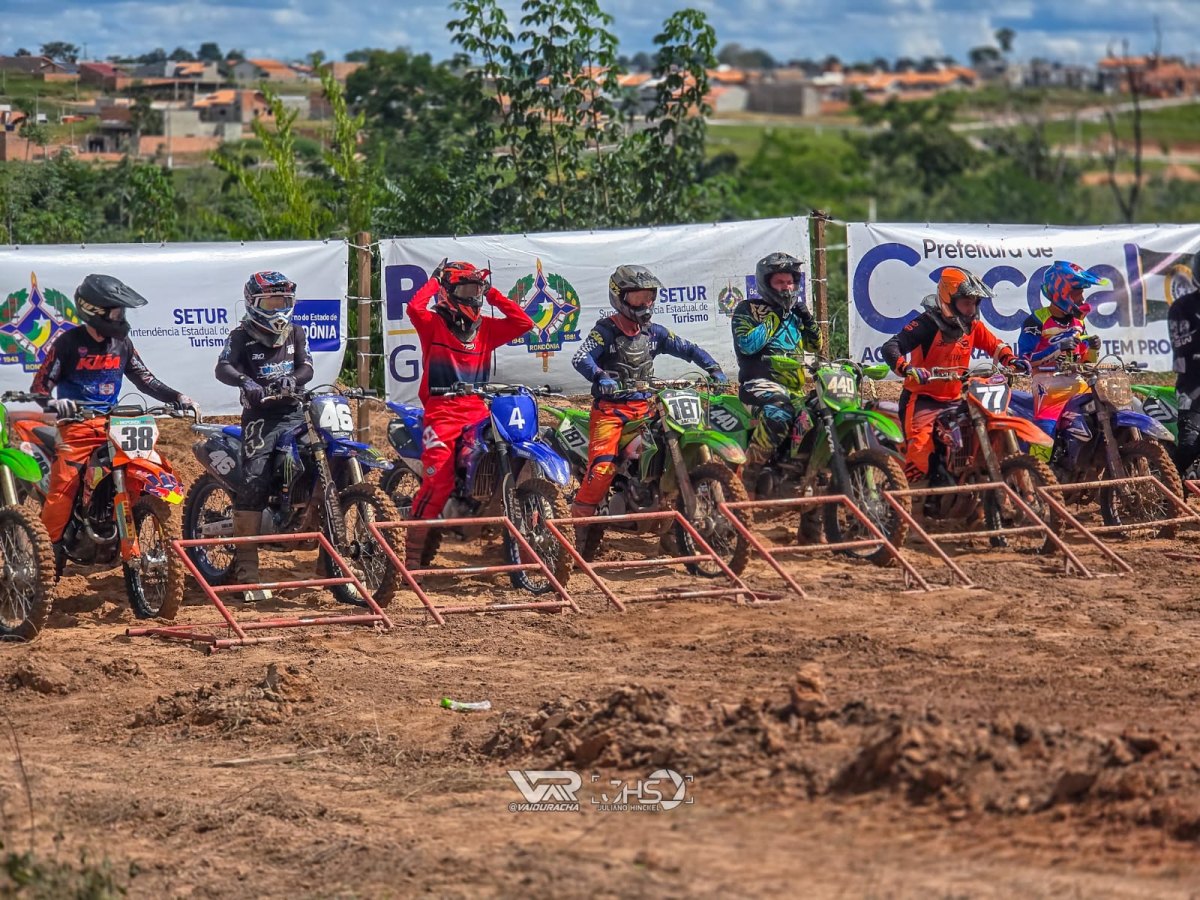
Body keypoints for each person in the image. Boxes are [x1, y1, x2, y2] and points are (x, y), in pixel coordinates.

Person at [32, 274, 193, 558]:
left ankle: (120, 516)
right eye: (115, 312)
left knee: (142, 465)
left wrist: (176, 397)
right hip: (78, 426)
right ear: (94, 311)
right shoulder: (68, 343)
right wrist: (58, 406)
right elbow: (40, 387)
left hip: (115, 423)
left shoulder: (123, 344)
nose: (121, 318)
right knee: (64, 485)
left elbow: (144, 378)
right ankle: (47, 552)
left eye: (122, 312)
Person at [570, 264, 728, 520]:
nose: (645, 303)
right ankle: (579, 521)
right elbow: (580, 357)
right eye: (638, 297)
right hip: (611, 413)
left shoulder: (655, 332)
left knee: (671, 441)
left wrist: (714, 368)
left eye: (650, 296)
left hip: (645, 408)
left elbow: (688, 348)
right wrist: (599, 376)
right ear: (619, 296)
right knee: (602, 469)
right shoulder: (605, 331)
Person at [404, 259, 534, 565]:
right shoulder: (432, 324)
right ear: (449, 291)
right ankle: (409, 555)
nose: (473, 294)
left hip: (478, 410)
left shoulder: (486, 328)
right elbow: (413, 308)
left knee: (517, 453)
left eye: (477, 288)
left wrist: (494, 295)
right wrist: (434, 280)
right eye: (467, 288)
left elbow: (524, 324)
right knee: (439, 482)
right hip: (442, 413)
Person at [215, 270, 313, 601]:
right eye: (272, 301)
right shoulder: (240, 336)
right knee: (255, 481)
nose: (279, 307)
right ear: (254, 303)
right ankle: (247, 568)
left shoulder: (296, 332)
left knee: (323, 462)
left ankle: (332, 560)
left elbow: (307, 367)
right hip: (260, 419)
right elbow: (223, 367)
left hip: (296, 414)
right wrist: (247, 382)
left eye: (284, 301)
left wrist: (294, 382)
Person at [881, 266, 1028, 485]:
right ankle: (909, 498)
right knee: (920, 453)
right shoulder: (926, 324)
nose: (971, 309)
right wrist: (907, 369)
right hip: (922, 399)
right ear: (948, 299)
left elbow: (994, 344)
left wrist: (1011, 359)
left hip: (958, 398)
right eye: (965, 302)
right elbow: (891, 346)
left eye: (974, 303)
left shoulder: (972, 326)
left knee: (981, 436)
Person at [730, 251, 821, 488]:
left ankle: (796, 469)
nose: (787, 287)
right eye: (780, 282)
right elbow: (748, 345)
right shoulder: (747, 309)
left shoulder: (796, 314)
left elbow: (816, 346)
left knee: (820, 412)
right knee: (779, 412)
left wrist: (809, 321)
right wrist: (777, 316)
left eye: (790, 282)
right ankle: (747, 475)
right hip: (758, 385)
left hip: (795, 389)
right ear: (766, 283)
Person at [1017, 260, 1104, 437]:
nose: (1082, 299)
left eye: (1082, 293)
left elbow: (1086, 361)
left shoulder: (1078, 322)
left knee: (1105, 413)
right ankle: (1035, 464)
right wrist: (1056, 348)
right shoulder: (1036, 320)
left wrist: (1093, 349)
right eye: (1077, 294)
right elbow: (1024, 360)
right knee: (1045, 434)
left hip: (1078, 382)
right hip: (1048, 387)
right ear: (1061, 293)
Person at [1168, 250, 1200, 476]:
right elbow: (1182, 345)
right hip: (1192, 388)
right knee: (1189, 445)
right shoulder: (1182, 307)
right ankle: (1164, 490)